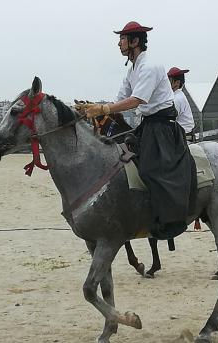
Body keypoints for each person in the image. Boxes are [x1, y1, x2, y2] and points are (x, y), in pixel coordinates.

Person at [84, 21, 197, 240]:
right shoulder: (132, 69)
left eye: (122, 39)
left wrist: (104, 108)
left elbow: (136, 100)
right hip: (147, 124)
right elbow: (120, 99)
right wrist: (92, 109)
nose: (119, 43)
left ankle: (170, 221)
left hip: (163, 127)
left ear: (135, 41)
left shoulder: (151, 66)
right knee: (123, 157)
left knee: (149, 170)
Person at [167, 67, 196, 142]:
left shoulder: (177, 99)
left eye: (169, 80)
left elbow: (169, 119)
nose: (167, 83)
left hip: (183, 137)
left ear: (177, 82)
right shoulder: (176, 96)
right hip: (179, 134)